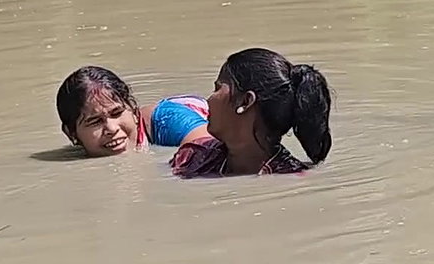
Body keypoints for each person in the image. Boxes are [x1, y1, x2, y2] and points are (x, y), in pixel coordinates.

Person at [170, 47, 333, 178]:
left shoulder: (290, 181)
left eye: (218, 88)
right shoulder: (192, 157)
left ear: (245, 101)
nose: (209, 99)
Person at [55, 66, 211, 157]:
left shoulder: (167, 121)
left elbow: (209, 148)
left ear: (134, 111)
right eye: (95, 121)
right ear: (71, 134)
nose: (112, 128)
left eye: (117, 113)